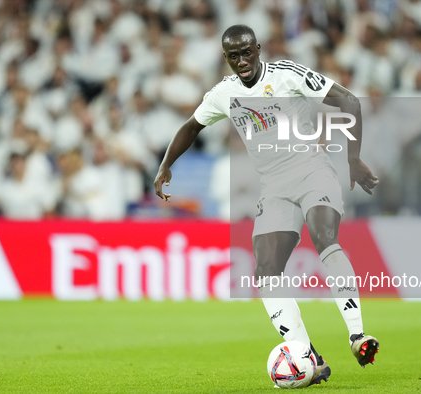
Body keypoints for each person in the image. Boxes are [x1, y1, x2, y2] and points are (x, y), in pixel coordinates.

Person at [154, 24, 380, 386]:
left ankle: (357, 335)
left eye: (246, 52)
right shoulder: (223, 93)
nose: (241, 61)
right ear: (225, 58)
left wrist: (353, 160)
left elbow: (348, 100)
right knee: (265, 271)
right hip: (274, 187)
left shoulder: (287, 75)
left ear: (258, 49)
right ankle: (309, 357)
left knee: (324, 237)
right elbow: (190, 127)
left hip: (312, 171)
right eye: (233, 56)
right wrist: (165, 165)